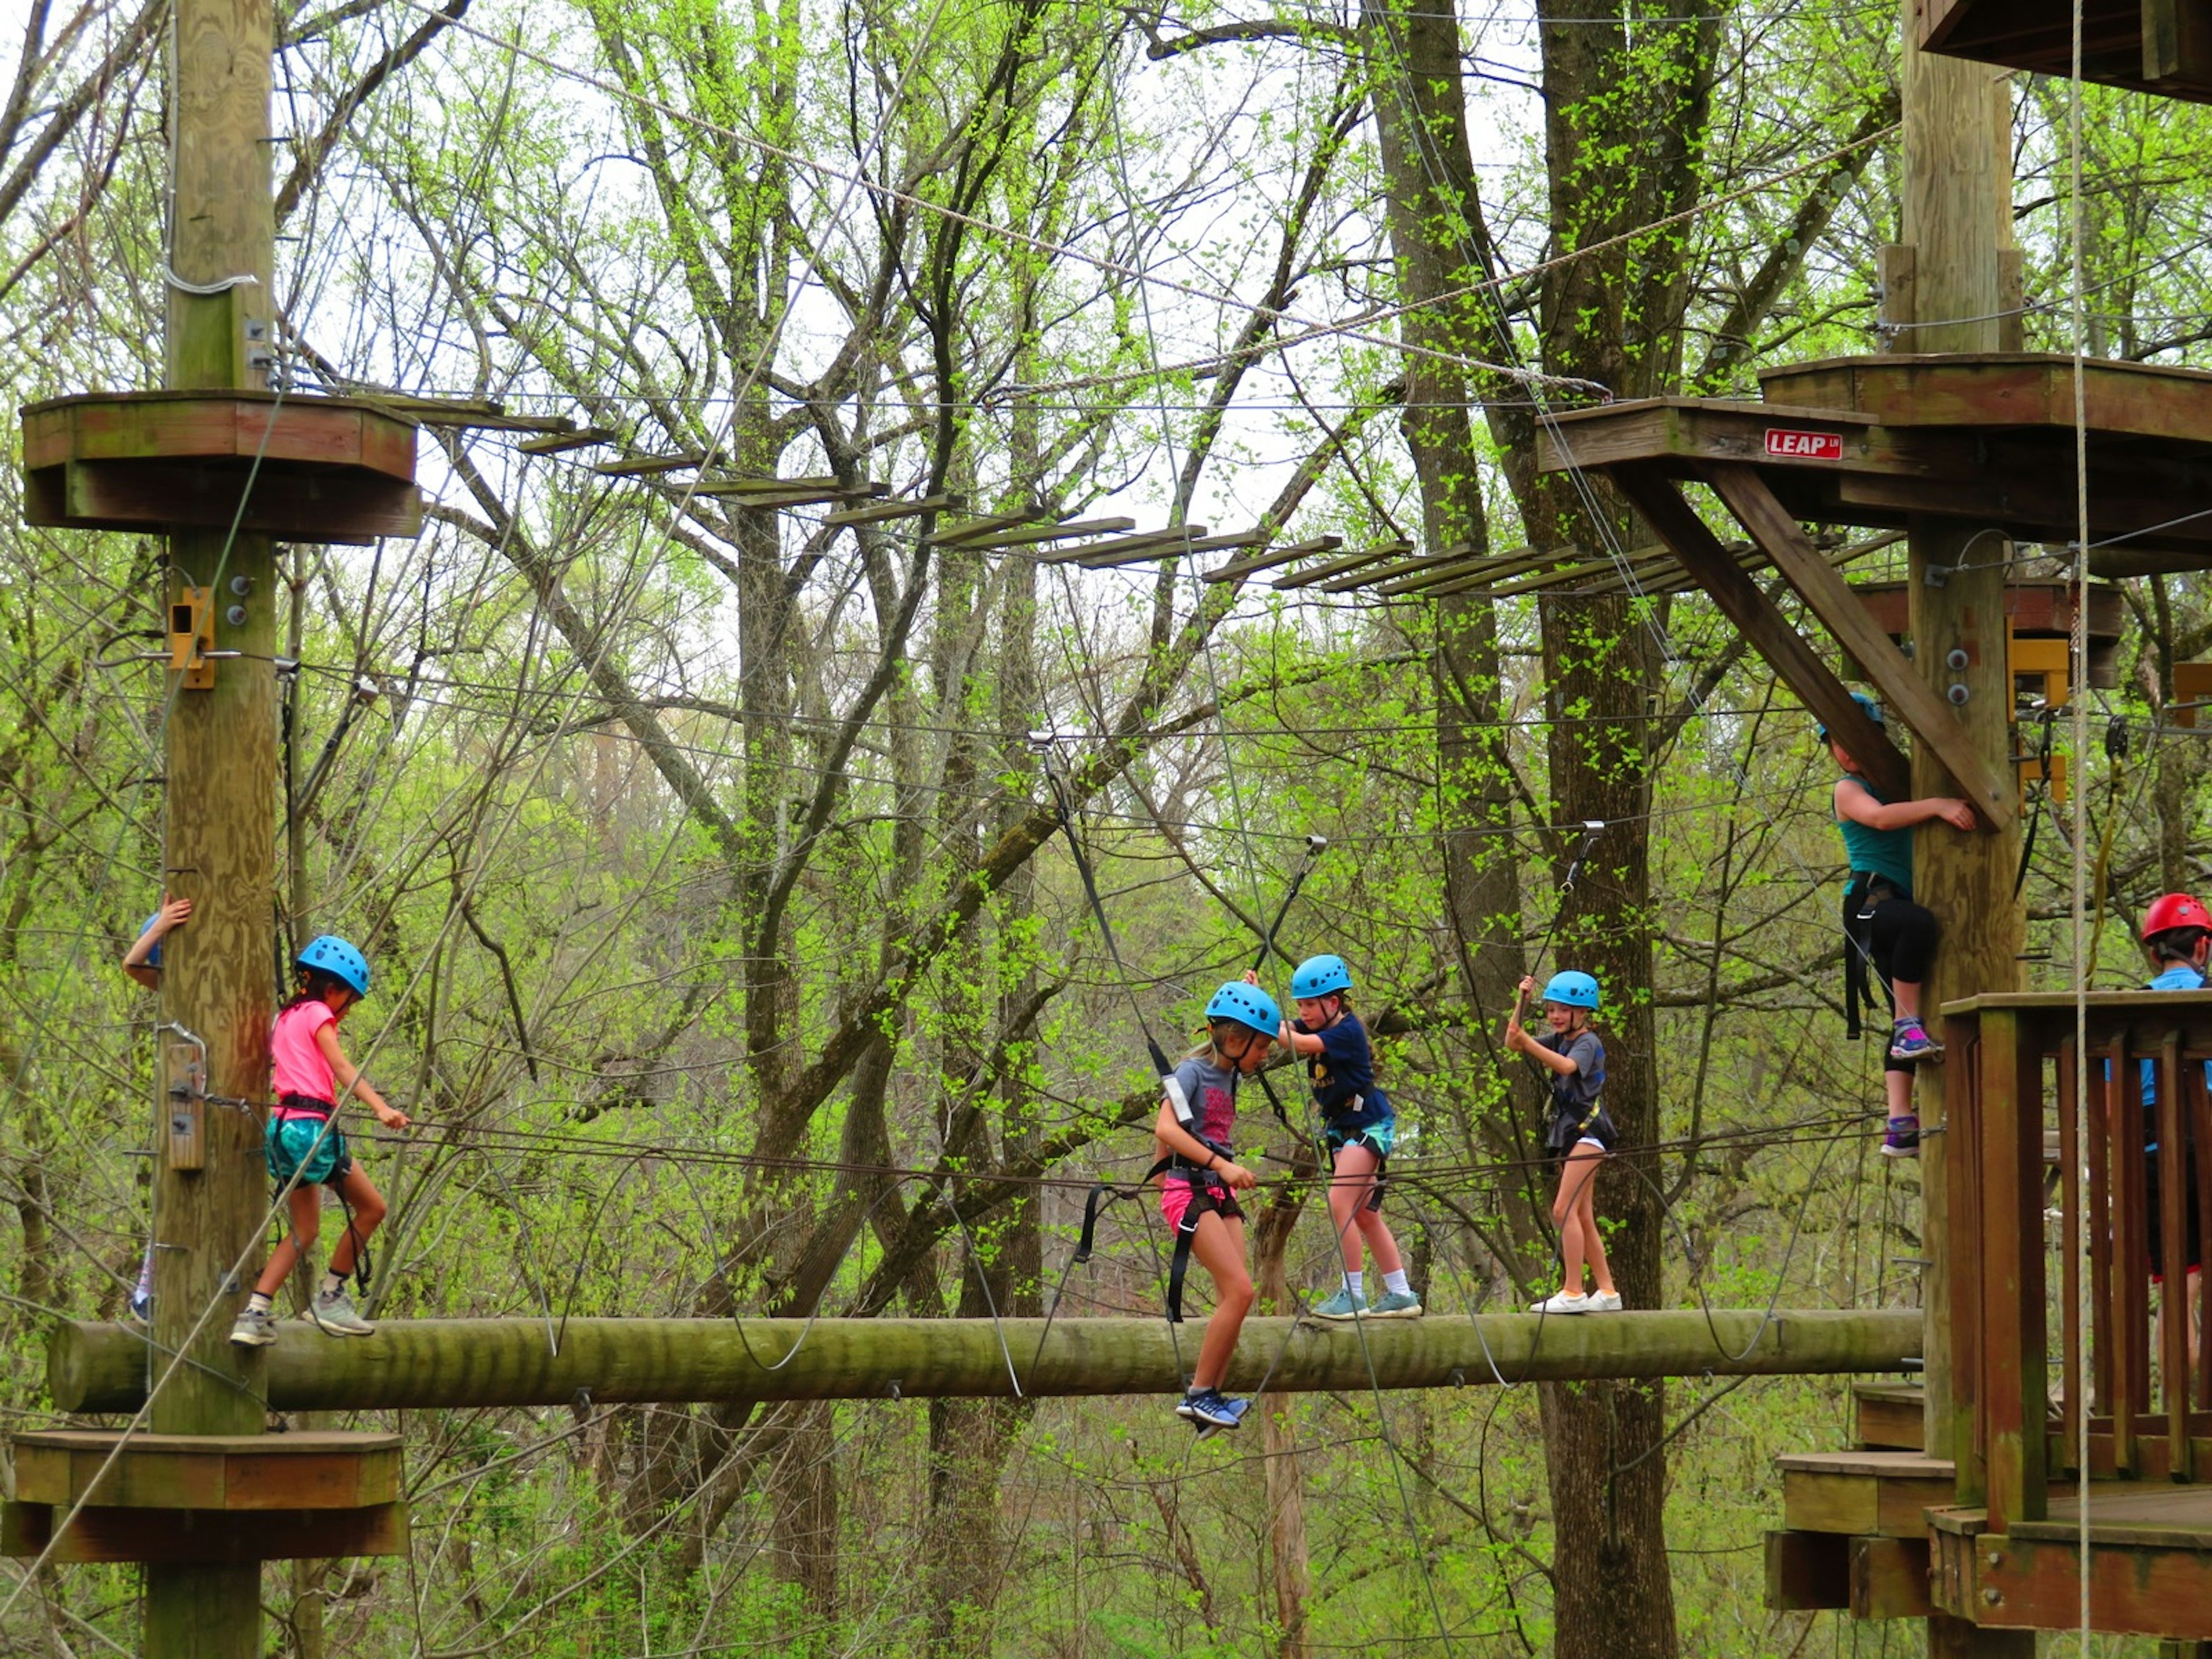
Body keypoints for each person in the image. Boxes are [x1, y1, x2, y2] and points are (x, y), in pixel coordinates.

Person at [229, 935, 408, 1346]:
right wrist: (381, 1108)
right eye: (350, 1000)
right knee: (373, 1208)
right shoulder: (317, 1015)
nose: (347, 1011)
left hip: (281, 1128)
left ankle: (255, 1312)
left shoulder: (285, 1017)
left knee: (305, 1230)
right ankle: (331, 1296)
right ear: (332, 990)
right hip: (312, 1127)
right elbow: (341, 1064)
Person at [1824, 691, 1978, 1158]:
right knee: (1918, 926)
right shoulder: (1849, 790)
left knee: (1909, 1007)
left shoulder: (1899, 781)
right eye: (1835, 743)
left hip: (1892, 905)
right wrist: (1936, 805)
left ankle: (1900, 1123)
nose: (1845, 752)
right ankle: (1909, 1026)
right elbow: (1879, 820)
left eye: (1852, 740)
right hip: (1872, 902)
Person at [1155, 979, 1274, 1433]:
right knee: (1241, 1291)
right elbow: (1166, 1129)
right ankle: (1200, 1394)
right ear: (1235, 1040)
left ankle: (1212, 1398)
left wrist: (1250, 994)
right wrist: (1221, 1167)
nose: (1265, 1055)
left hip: (1219, 1193)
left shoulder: (1231, 1067)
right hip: (1190, 1189)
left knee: (1236, 1296)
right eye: (1260, 1046)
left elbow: (1244, 1025)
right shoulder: (1192, 1071)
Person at [1276, 953, 1421, 1320]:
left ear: (1333, 1003)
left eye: (1310, 1005)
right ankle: (1401, 1292)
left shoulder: (1347, 1031)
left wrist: (1265, 1028)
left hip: (1368, 1123)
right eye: (1300, 1006)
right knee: (1364, 1215)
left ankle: (1352, 1294)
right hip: (1342, 1128)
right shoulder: (1315, 1024)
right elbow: (1281, 1028)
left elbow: (1298, 1044)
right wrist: (1254, 1001)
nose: (1303, 1012)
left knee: (1339, 1204)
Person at [1504, 970, 1620, 1315]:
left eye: (1562, 1010)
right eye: (1551, 1009)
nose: (1554, 1016)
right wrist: (1521, 1003)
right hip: (1571, 1135)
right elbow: (1513, 1040)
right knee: (1582, 1215)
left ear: (1582, 1013)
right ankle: (1608, 1291)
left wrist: (1528, 1043)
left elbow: (1568, 1068)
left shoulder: (1587, 1043)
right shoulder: (1560, 1038)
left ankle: (1573, 1291)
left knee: (1563, 1209)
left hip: (1590, 1133)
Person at [2137, 893, 2208, 1367]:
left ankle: (2178, 1414)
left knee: (2178, 1291)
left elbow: (2106, 1106)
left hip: (2154, 1152)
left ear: (2153, 952)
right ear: (2202, 948)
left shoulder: (2126, 1012)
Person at [120, 897, 192, 1319]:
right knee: (177, 1186)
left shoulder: (217, 987)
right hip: (184, 1094)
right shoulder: (170, 988)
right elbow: (133, 963)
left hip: (215, 1095)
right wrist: (162, 925)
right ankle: (148, 1290)